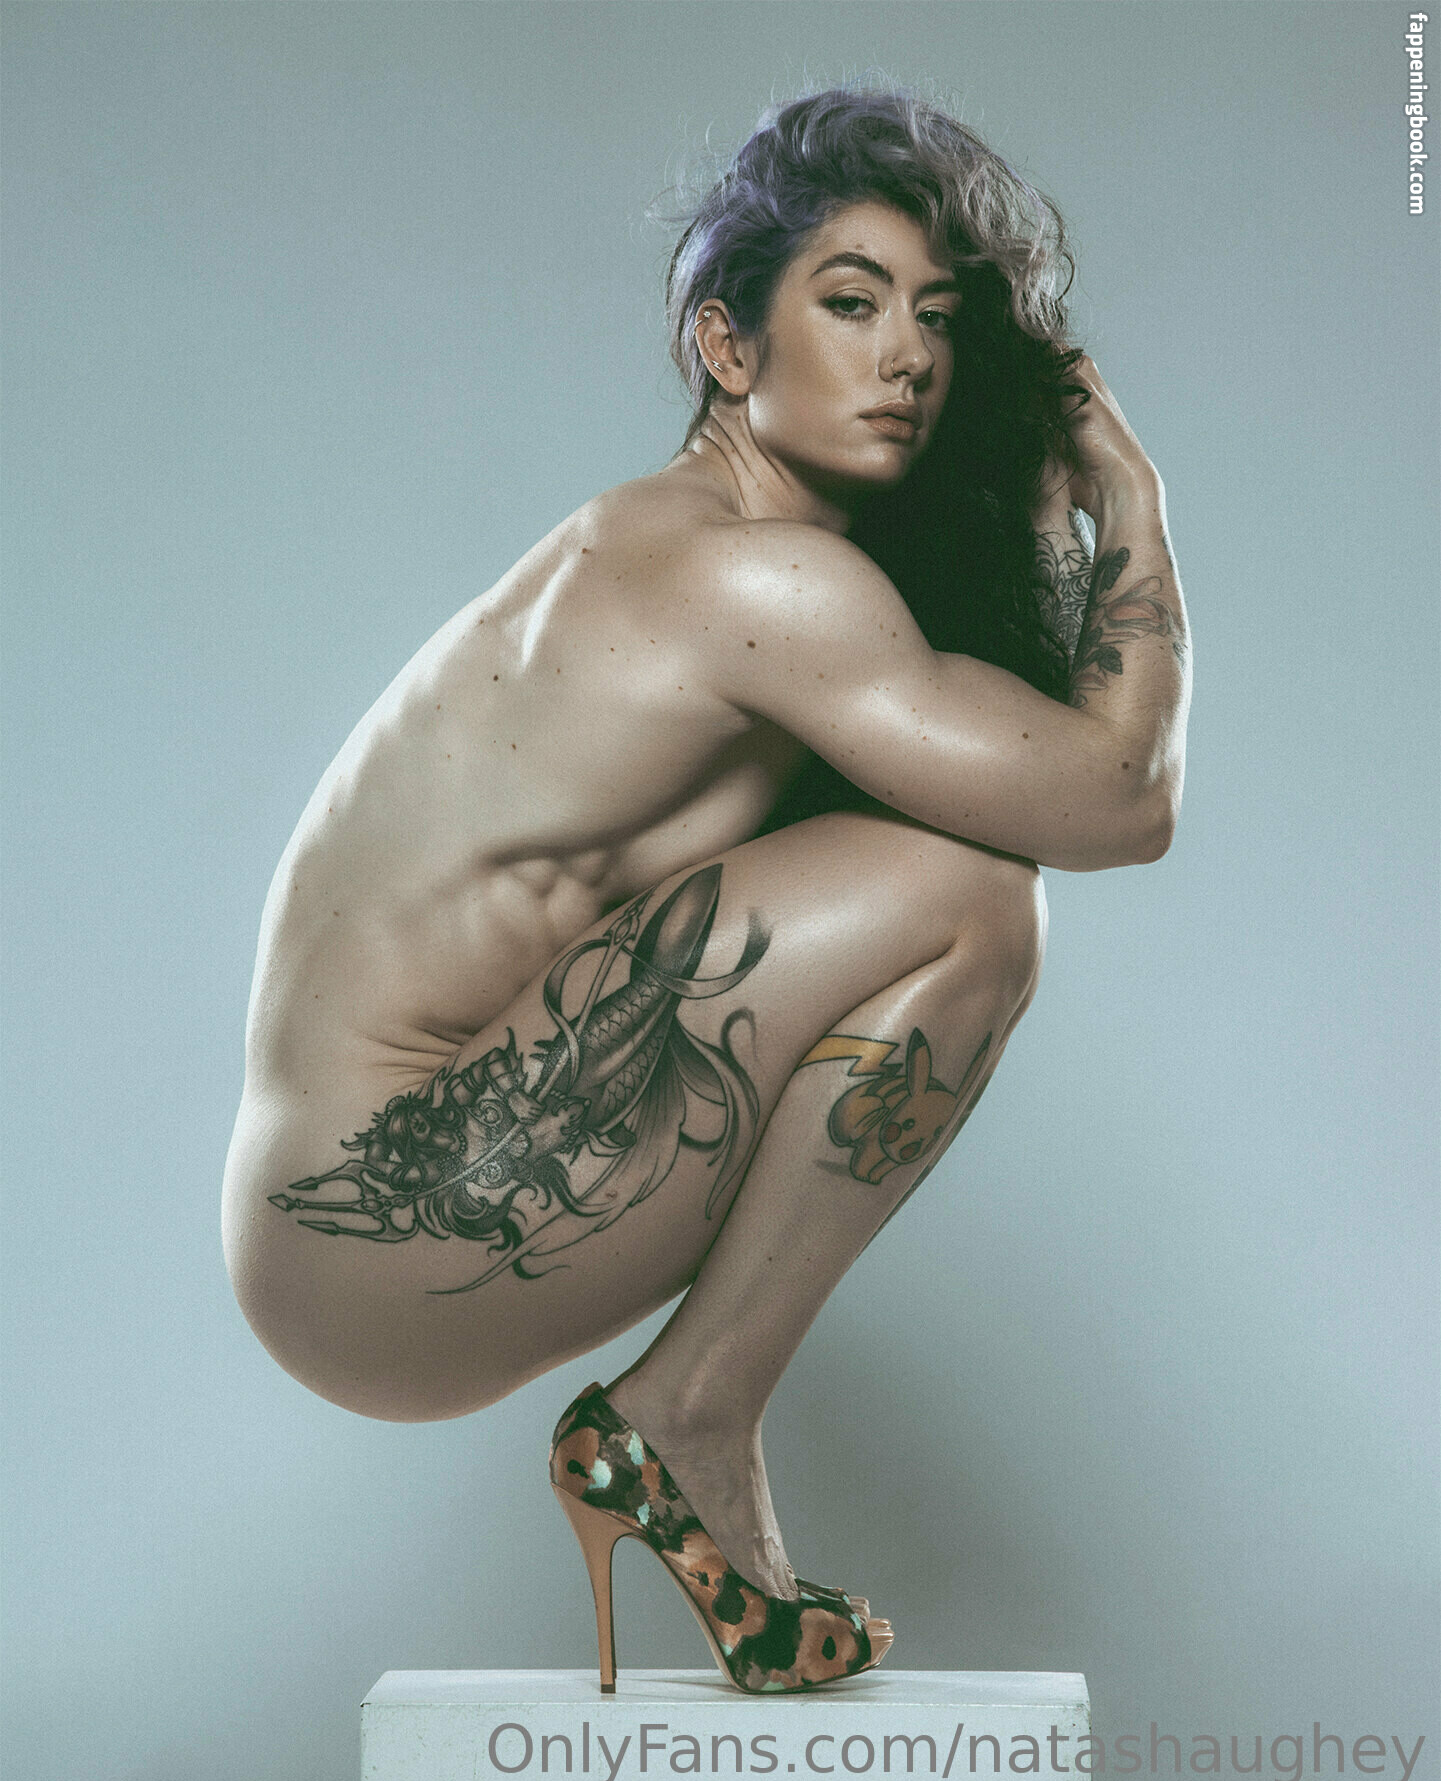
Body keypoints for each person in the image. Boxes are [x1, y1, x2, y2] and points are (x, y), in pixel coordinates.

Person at [221, 86, 1190, 1694]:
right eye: (851, 302)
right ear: (726, 346)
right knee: (974, 891)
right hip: (372, 1232)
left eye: (937, 317)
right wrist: (1133, 507)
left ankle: (690, 1424)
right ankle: (686, 1416)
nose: (908, 357)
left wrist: (1027, 513)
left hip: (335, 1222)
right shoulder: (755, 577)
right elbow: (1118, 798)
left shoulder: (684, 551)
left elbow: (1018, 748)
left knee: (949, 868)